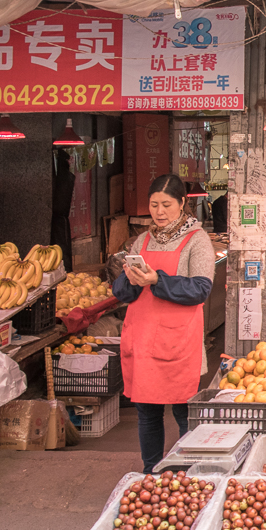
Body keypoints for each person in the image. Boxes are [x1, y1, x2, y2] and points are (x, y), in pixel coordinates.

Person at [113, 175, 215, 473]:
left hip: (179, 342)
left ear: (183, 203)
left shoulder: (197, 240)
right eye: (154, 204)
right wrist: (129, 280)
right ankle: (151, 473)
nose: (159, 211)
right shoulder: (141, 241)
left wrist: (157, 279)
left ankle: (186, 474)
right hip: (144, 339)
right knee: (147, 413)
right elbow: (123, 293)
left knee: (184, 414)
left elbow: (200, 289)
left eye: (166, 204)